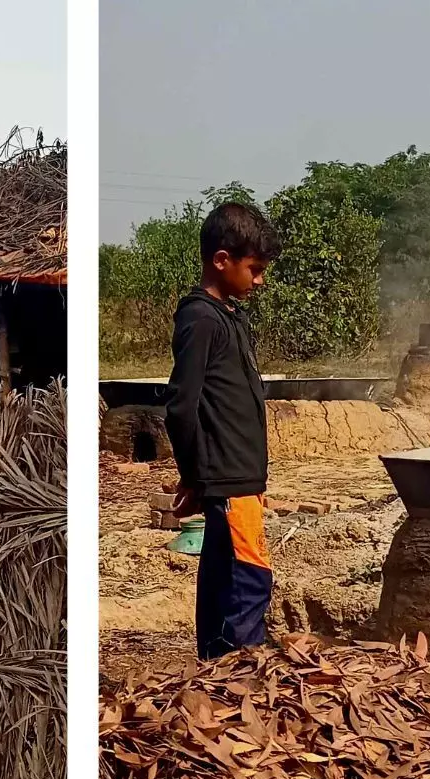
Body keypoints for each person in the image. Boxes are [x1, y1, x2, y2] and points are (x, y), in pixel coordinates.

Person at [164, 202, 282, 660]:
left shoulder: (230, 316)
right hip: (228, 473)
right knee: (247, 578)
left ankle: (214, 668)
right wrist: (195, 476)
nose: (259, 280)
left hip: (238, 474)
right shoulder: (201, 318)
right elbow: (181, 406)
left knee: (220, 572)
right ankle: (243, 673)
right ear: (221, 260)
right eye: (253, 269)